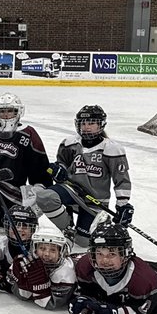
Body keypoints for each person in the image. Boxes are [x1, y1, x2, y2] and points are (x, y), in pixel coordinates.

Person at [36, 104, 133, 244]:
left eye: (91, 123)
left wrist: (123, 205)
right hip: (71, 191)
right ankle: (67, 230)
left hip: (95, 200)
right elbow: (62, 163)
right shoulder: (70, 144)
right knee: (46, 197)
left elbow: (121, 180)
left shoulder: (112, 149)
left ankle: (100, 220)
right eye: (83, 123)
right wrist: (59, 170)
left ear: (101, 125)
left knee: (83, 242)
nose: (86, 127)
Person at [0, 92, 52, 221]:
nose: (6, 115)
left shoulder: (28, 134)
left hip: (11, 187)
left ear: (19, 112)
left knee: (10, 221)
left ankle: (0, 213)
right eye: (2, 111)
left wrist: (39, 186)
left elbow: (39, 165)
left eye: (10, 111)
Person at [5, 221, 76, 310]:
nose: (46, 254)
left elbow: (53, 304)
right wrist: (22, 285)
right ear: (35, 249)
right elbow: (13, 286)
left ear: (60, 252)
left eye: (53, 250)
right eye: (42, 248)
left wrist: (40, 286)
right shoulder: (24, 262)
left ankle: (69, 238)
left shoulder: (65, 271)